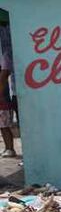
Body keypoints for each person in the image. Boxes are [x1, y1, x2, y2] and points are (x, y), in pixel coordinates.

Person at [0, 17, 16, 159]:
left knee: (5, 125)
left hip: (3, 99)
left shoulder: (4, 56)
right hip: (4, 97)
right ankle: (8, 148)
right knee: (3, 126)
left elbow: (5, 73)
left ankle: (10, 148)